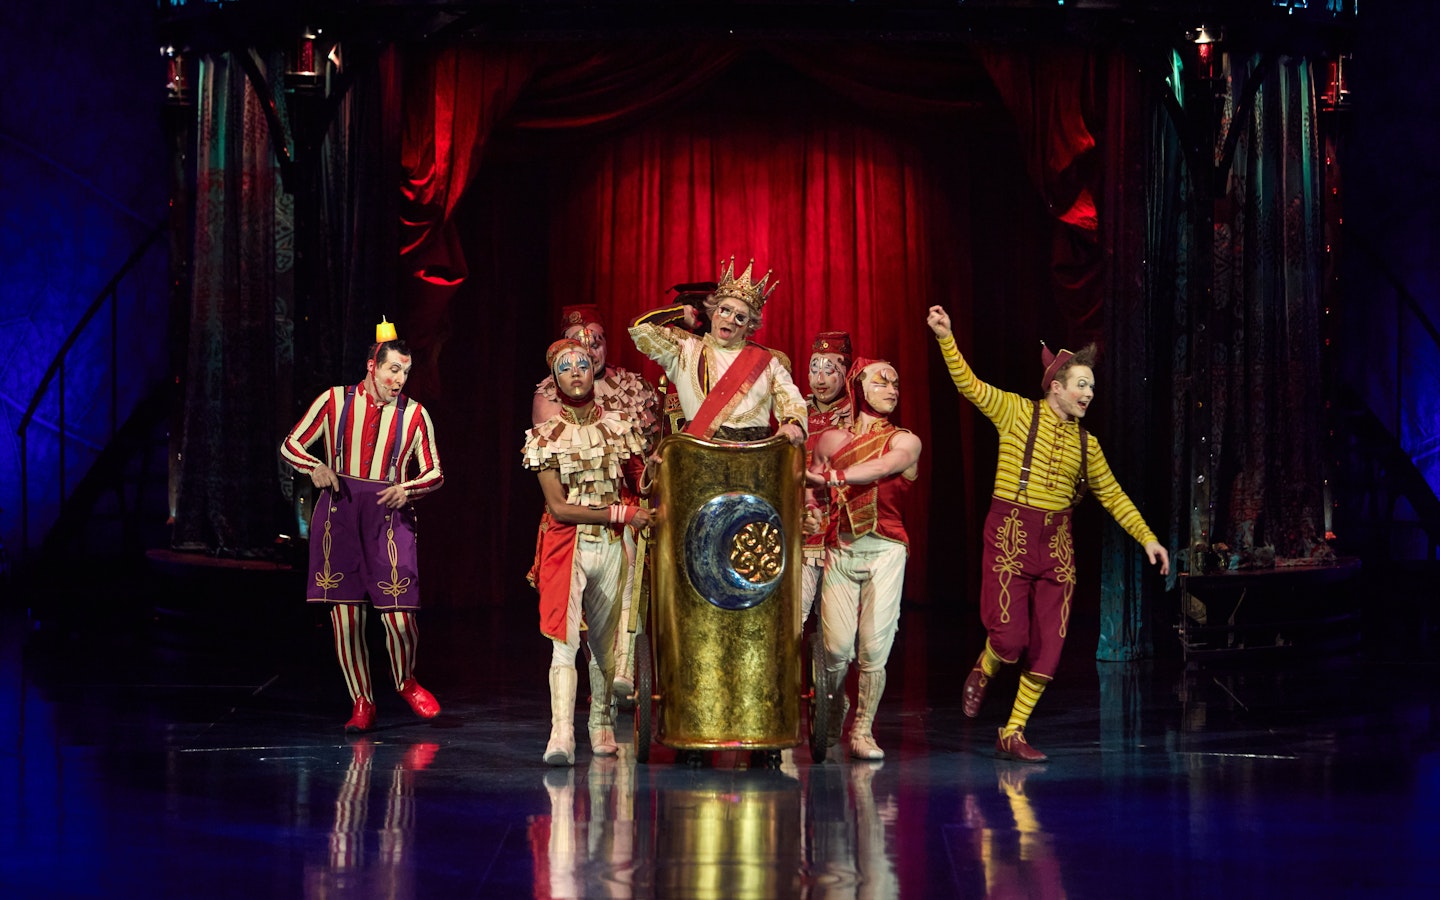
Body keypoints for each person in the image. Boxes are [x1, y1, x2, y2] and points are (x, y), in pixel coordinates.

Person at [926, 305, 1169, 763]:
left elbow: (1113, 494)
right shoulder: (1015, 412)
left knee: (1050, 648)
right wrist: (945, 337)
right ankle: (988, 663)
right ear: (1055, 387)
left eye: (1092, 387)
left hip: (1057, 547)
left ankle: (1012, 731)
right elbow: (970, 386)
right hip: (1011, 535)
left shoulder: (1086, 443)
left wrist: (1148, 538)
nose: (1089, 394)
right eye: (1082, 384)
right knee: (1010, 640)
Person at [280, 316, 444, 733]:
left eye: (406, 372)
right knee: (347, 618)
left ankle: (405, 680)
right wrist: (314, 467)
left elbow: (434, 472)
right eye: (393, 369)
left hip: (388, 518)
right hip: (340, 514)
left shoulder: (414, 415)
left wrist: (407, 489)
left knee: (399, 616)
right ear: (373, 365)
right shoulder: (334, 400)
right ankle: (362, 701)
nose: (400, 379)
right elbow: (291, 443)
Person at [523, 338, 651, 766]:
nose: (576, 371)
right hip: (567, 546)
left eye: (582, 363)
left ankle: (601, 722)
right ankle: (561, 733)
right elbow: (559, 507)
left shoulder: (619, 427)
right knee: (563, 641)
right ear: (555, 378)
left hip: (611, 547)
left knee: (603, 643)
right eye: (565, 367)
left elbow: (642, 484)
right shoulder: (545, 437)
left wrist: (661, 463)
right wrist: (620, 512)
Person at [806, 358, 921, 760]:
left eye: (896, 383)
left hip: (886, 550)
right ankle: (835, 703)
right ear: (859, 388)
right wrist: (810, 509)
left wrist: (835, 478)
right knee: (837, 649)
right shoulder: (831, 440)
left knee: (874, 647)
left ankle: (863, 729)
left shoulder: (905, 441)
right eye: (882, 381)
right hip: (841, 548)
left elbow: (883, 467)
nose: (892, 389)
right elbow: (810, 483)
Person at [629, 256, 807, 446]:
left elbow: (791, 401)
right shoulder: (685, 349)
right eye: (725, 310)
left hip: (755, 460)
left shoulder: (769, 361)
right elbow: (639, 328)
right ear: (713, 312)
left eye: (740, 317)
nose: (730, 320)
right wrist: (680, 312)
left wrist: (792, 424)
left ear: (749, 327)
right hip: (700, 458)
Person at [800, 331, 855, 629]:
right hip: (804, 530)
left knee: (836, 627)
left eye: (829, 370)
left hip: (842, 531)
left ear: (845, 373)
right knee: (794, 617)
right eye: (814, 369)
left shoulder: (856, 416)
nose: (820, 379)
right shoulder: (796, 415)